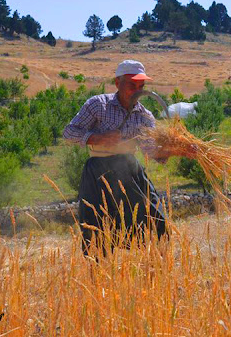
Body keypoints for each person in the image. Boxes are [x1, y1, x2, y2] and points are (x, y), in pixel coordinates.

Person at [63, 60, 169, 254]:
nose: (137, 91)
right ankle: (99, 276)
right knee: (96, 230)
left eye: (141, 86)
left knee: (156, 221)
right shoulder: (97, 105)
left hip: (130, 170)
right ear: (117, 82)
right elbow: (69, 133)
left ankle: (154, 270)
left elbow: (151, 150)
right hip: (98, 171)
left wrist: (177, 150)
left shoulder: (145, 116)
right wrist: (98, 138)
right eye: (132, 85)